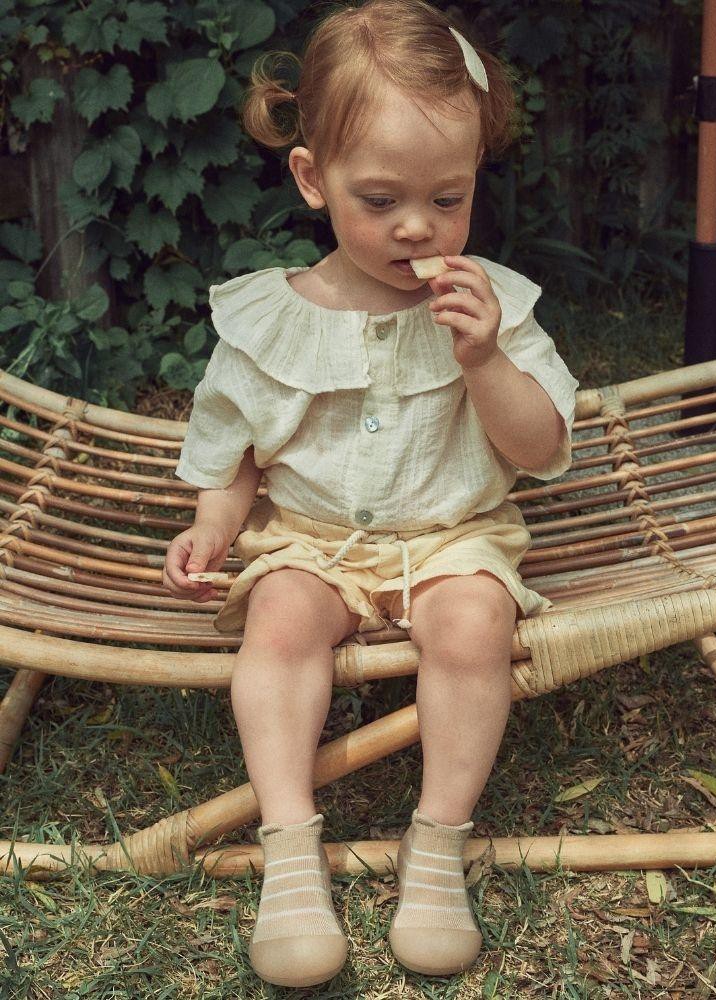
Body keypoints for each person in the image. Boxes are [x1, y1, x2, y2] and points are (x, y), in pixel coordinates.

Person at [163, 0, 578, 987]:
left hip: (452, 535)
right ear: (313, 179)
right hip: (313, 542)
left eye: (447, 197)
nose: (416, 226)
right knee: (278, 621)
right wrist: (214, 525)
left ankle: (436, 842)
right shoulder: (274, 316)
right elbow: (236, 448)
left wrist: (484, 360)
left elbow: (541, 448)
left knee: (474, 622)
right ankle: (288, 847)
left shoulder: (491, 308)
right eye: (381, 198)